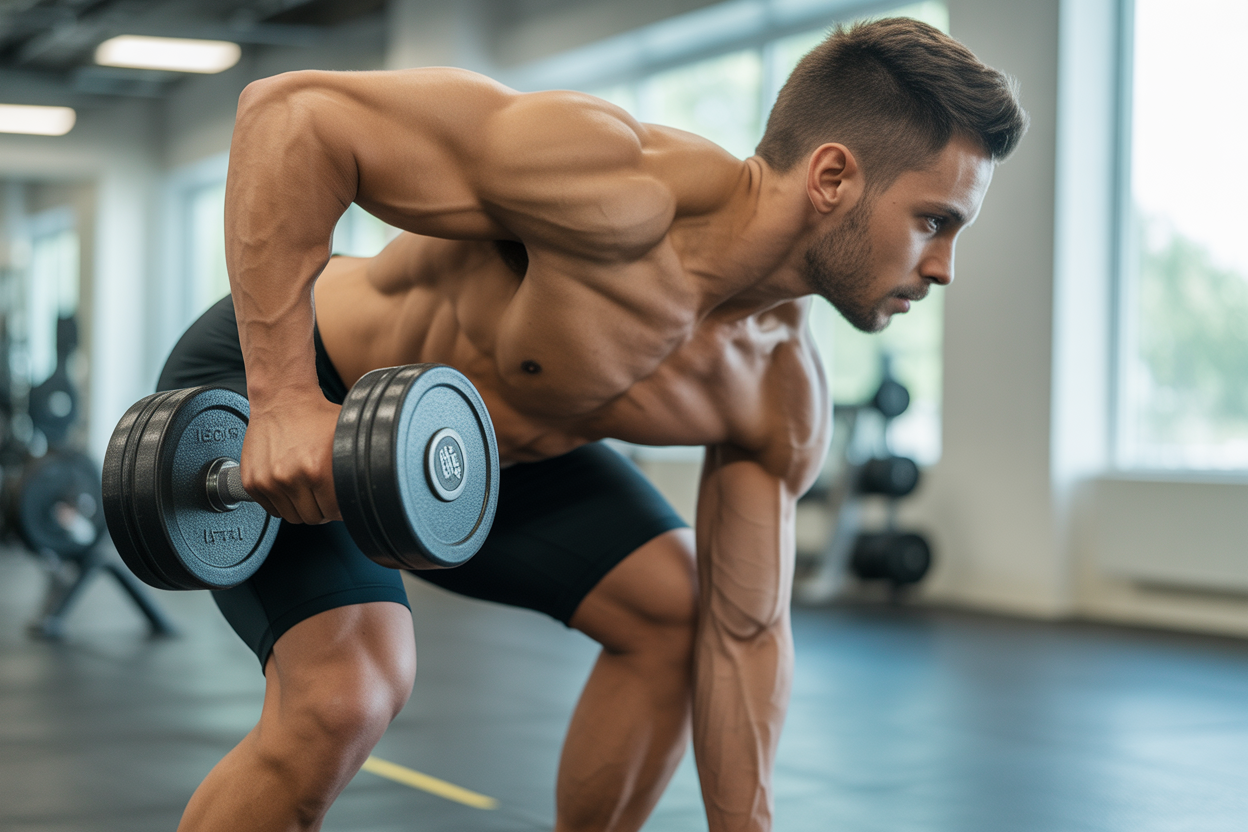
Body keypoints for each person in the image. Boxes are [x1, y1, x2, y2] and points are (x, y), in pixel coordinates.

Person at [161, 17, 1026, 832]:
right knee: (347, 693)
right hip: (306, 379)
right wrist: (282, 404)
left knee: (682, 612)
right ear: (832, 177)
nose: (943, 268)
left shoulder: (777, 388)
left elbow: (745, 636)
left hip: (488, 460)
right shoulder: (612, 186)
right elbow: (292, 117)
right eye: (934, 221)